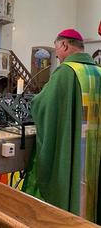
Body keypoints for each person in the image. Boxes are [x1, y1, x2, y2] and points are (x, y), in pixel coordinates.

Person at [22, 28, 101, 224]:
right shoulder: (99, 72)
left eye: (57, 49)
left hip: (74, 157)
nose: (57, 55)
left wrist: (35, 102)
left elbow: (42, 106)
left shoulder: (65, 72)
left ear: (65, 45)